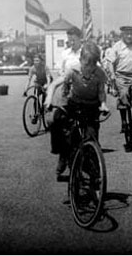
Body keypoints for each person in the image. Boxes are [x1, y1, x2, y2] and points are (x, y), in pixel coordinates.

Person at [44, 42, 109, 180]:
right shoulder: (73, 70)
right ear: (80, 61)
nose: (89, 69)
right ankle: (62, 153)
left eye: (93, 65)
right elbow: (55, 84)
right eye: (86, 65)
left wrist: (103, 104)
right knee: (57, 122)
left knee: (91, 137)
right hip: (74, 104)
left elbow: (102, 92)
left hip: (91, 107)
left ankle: (94, 171)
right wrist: (49, 100)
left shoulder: (100, 73)